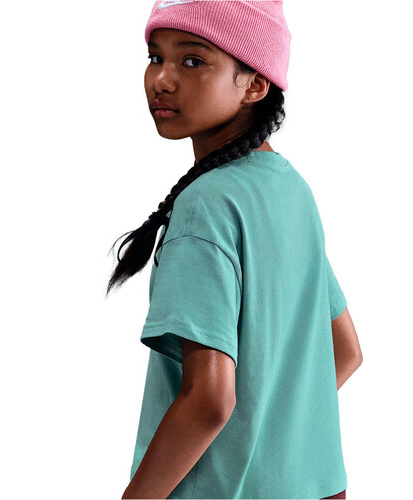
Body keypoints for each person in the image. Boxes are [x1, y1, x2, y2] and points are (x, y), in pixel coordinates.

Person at [106, 1, 363, 498]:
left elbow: (207, 401)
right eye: (155, 57)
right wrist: (268, 439)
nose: (162, 80)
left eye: (192, 60)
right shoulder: (292, 190)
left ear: (255, 84)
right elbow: (345, 350)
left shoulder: (205, 206)